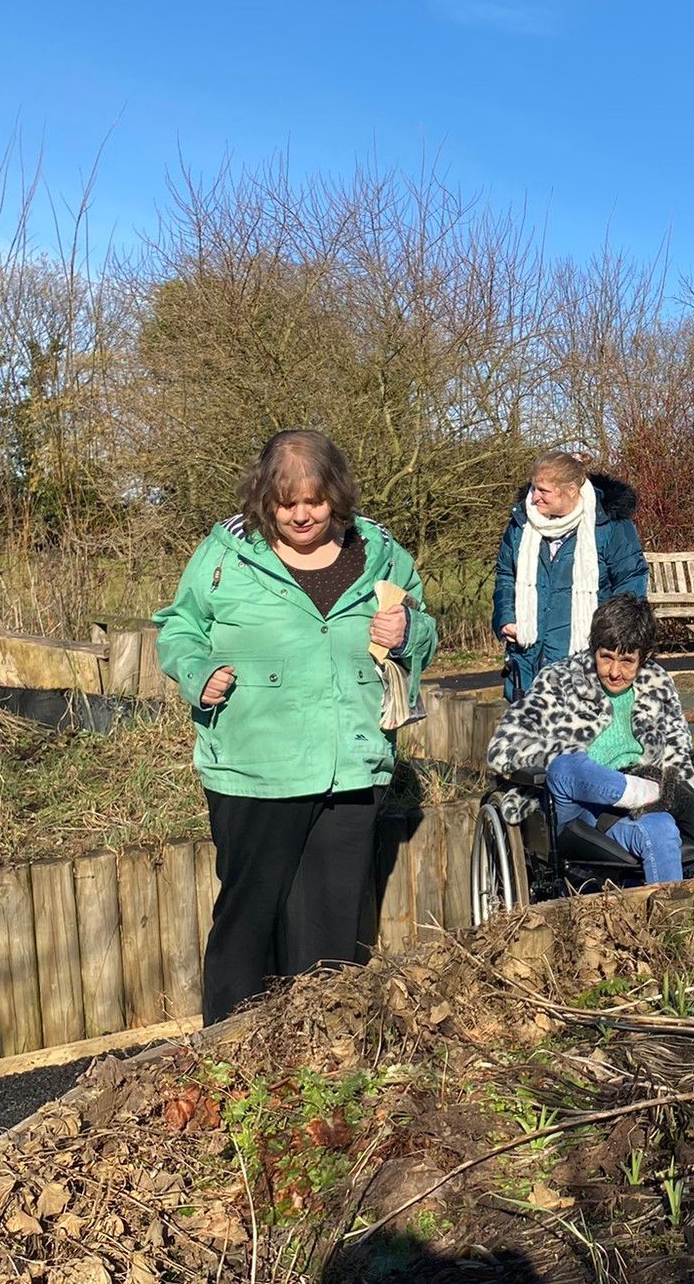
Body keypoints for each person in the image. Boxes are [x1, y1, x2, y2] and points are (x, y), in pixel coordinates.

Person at [155, 429, 438, 1023]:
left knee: (333, 933)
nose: (302, 515)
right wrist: (196, 670)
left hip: (350, 768)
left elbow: (422, 623)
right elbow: (180, 628)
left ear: (336, 494)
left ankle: (323, 1066)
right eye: (287, 503)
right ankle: (229, 1060)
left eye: (314, 500)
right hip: (255, 769)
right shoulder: (227, 554)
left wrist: (409, 633)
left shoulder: (379, 552)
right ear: (265, 499)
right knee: (249, 921)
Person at [485, 594, 694, 884]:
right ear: (594, 648)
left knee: (661, 829)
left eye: (627, 661)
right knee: (565, 766)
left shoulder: (657, 684)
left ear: (645, 657)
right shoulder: (558, 680)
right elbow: (502, 750)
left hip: (634, 808)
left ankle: (670, 923)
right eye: (606, 657)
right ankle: (654, 791)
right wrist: (553, 755)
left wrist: (680, 783)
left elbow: (677, 747)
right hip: (576, 804)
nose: (614, 671)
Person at [492, 452, 648, 701]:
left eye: (543, 490)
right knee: (529, 735)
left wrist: (611, 639)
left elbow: (631, 583)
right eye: (533, 487)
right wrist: (506, 616)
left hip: (585, 658)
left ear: (571, 490)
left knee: (580, 735)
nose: (534, 497)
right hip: (527, 659)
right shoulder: (521, 524)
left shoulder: (610, 526)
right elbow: (505, 574)